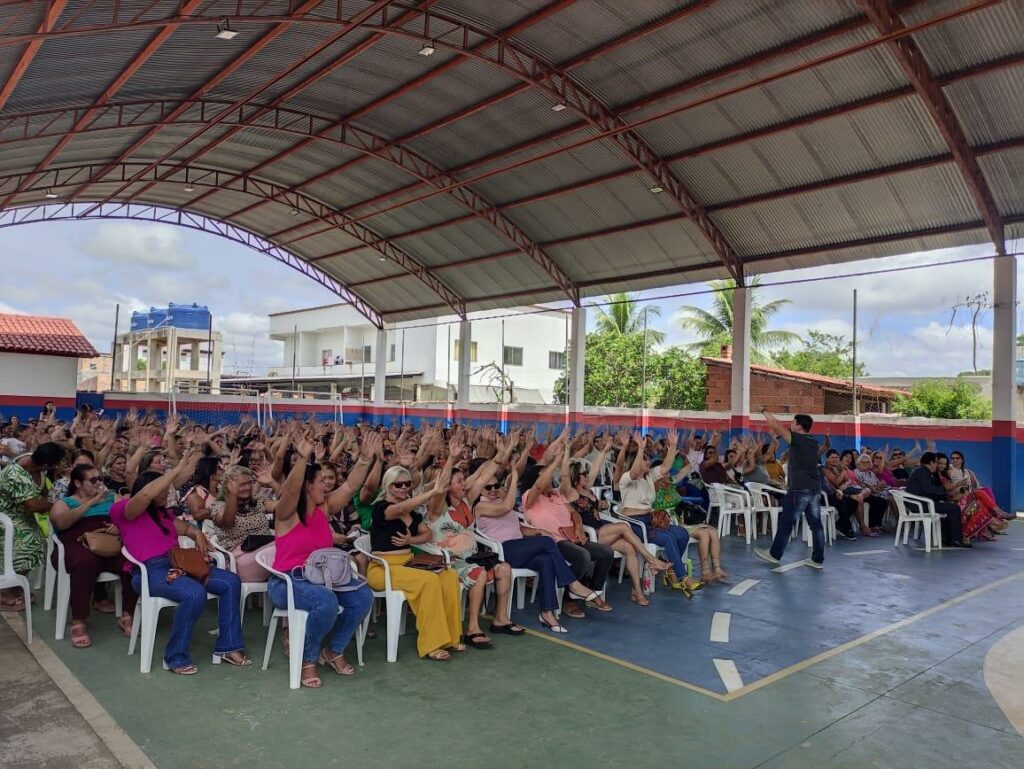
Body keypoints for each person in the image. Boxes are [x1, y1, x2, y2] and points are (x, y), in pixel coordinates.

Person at [111, 449, 252, 674]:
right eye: (163, 489)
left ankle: (228, 646)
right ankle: (175, 656)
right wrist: (175, 470)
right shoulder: (125, 511)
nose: (168, 493)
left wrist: (199, 536)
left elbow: (186, 528)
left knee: (230, 582)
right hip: (150, 572)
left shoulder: (163, 514)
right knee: (194, 593)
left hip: (177, 565)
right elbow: (145, 496)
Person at [270, 435, 376, 687]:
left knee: (363, 597)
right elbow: (292, 489)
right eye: (320, 482)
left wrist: (364, 459)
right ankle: (307, 660)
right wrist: (304, 458)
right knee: (325, 602)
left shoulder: (324, 507)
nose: (326, 487)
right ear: (308, 486)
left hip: (323, 578)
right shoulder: (286, 514)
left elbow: (350, 486)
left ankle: (334, 650)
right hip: (287, 582)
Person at [475, 465, 596, 635]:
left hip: (519, 546)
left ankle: (547, 612)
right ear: (479, 489)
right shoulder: (481, 506)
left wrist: (538, 531)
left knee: (546, 560)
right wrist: (514, 479)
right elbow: (507, 508)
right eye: (488, 487)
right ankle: (573, 584)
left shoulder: (500, 501)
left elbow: (519, 529)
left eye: (496, 486)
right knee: (547, 542)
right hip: (503, 550)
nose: (494, 490)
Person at [368, 462, 464, 661]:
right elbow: (400, 507)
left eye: (407, 484)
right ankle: (432, 644)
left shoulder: (410, 513)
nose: (404, 488)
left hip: (407, 564)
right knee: (428, 581)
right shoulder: (381, 509)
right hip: (383, 569)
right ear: (388, 486)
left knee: (449, 575)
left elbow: (427, 533)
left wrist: (411, 540)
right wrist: (432, 493)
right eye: (399, 484)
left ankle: (450, 638)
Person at [563, 453, 671, 606]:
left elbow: (595, 468)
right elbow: (565, 476)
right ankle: (651, 560)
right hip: (591, 534)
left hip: (602, 530)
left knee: (629, 547)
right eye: (583, 474)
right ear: (575, 476)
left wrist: (607, 448)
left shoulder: (588, 489)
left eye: (587, 473)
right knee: (624, 526)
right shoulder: (571, 492)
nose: (587, 475)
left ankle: (637, 592)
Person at [520, 443, 615, 614]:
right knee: (583, 556)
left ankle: (592, 591)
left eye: (549, 477)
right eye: (544, 477)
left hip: (573, 537)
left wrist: (579, 527)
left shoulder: (557, 495)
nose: (548, 480)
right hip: (553, 542)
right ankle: (567, 598)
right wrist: (555, 462)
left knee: (607, 552)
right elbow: (539, 486)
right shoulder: (529, 497)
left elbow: (574, 513)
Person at [48, 464, 136, 646]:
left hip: (109, 542)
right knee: (83, 563)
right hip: (78, 543)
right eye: (93, 480)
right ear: (78, 483)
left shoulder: (111, 496)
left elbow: (131, 513)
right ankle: (78, 621)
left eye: (100, 479)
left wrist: (119, 525)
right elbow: (61, 523)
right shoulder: (65, 502)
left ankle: (129, 614)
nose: (98, 483)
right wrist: (92, 502)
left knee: (132, 563)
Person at [619, 429, 702, 595]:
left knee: (682, 534)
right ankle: (683, 577)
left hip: (651, 520)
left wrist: (672, 446)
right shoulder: (627, 479)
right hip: (635, 524)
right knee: (669, 538)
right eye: (645, 461)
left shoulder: (649, 476)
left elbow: (665, 468)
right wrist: (641, 449)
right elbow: (635, 472)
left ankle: (669, 567)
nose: (648, 462)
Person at [754, 411, 825, 568]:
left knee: (786, 522)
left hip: (799, 489)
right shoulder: (812, 441)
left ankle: (774, 554)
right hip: (814, 489)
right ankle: (818, 559)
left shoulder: (798, 439)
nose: (791, 425)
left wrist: (765, 412)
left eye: (793, 422)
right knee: (816, 525)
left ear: (799, 425)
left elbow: (778, 426)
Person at [0, 442, 66, 609]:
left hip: (22, 515)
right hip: (6, 516)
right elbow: (33, 506)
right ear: (46, 464)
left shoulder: (36, 464)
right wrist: (60, 504)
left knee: (38, 541)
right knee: (31, 544)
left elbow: (42, 490)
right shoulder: (17, 474)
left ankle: (15, 585)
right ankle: (6, 592)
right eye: (56, 464)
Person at [208, 465, 274, 582]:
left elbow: (286, 507)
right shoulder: (218, 506)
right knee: (285, 545)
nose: (247, 487)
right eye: (242, 485)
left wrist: (272, 482)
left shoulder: (258, 502)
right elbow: (228, 522)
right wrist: (233, 494)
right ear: (228, 486)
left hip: (266, 551)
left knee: (289, 543)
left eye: (249, 483)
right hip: (241, 561)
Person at [905, 452, 969, 548]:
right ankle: (955, 540)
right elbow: (929, 489)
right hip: (921, 506)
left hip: (922, 504)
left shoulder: (923, 471)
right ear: (931, 462)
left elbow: (928, 491)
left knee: (950, 506)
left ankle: (948, 538)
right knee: (954, 508)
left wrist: (947, 494)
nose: (937, 465)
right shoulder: (922, 472)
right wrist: (945, 489)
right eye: (936, 462)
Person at [942, 451, 1007, 541]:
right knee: (980, 496)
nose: (954, 460)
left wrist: (970, 488)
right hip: (959, 497)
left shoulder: (967, 472)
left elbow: (976, 485)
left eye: (957, 458)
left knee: (985, 491)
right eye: (952, 458)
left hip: (969, 494)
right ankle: (995, 518)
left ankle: (992, 521)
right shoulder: (949, 470)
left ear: (962, 460)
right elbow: (950, 488)